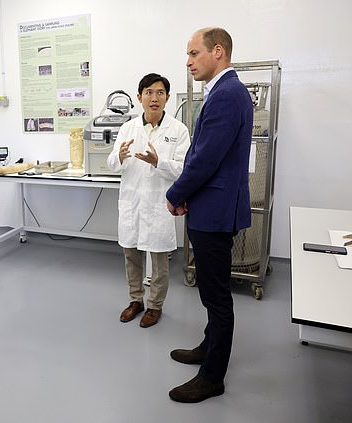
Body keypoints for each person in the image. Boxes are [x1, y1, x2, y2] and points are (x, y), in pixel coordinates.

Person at [166, 28, 253, 403]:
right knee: (209, 287)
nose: (188, 61)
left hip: (215, 212)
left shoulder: (226, 95)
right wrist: (189, 195)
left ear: (218, 51)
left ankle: (212, 376)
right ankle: (207, 345)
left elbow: (204, 160)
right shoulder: (223, 92)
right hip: (210, 206)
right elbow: (202, 154)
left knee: (217, 296)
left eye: (194, 53)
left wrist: (176, 193)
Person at [107, 73, 190, 328]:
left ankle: (155, 306)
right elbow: (111, 165)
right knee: (130, 254)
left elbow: (183, 169)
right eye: (149, 92)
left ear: (166, 97)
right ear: (139, 97)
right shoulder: (127, 128)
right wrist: (119, 156)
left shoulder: (178, 130)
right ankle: (135, 300)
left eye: (160, 93)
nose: (154, 98)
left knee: (159, 259)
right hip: (132, 202)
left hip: (158, 205)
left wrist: (158, 162)